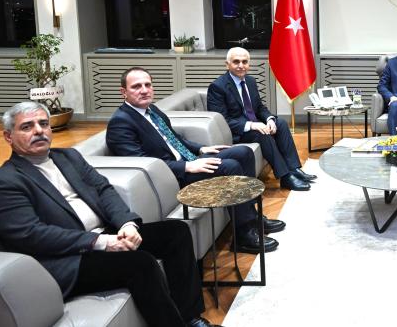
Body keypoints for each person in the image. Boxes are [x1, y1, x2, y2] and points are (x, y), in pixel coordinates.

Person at [0, 101, 218, 327]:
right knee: (140, 263)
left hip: (105, 234)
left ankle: (190, 318)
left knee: (176, 231)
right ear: (8, 136)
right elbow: (30, 235)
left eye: (43, 124)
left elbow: (103, 189)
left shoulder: (68, 157)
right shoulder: (7, 180)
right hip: (70, 257)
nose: (38, 131)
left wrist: (126, 224)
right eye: (27, 127)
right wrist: (100, 242)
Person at [106, 67, 283, 254]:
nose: (144, 90)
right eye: (136, 86)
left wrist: (200, 148)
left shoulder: (151, 110)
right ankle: (244, 235)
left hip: (188, 160)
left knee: (243, 152)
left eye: (147, 85)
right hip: (171, 176)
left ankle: (253, 218)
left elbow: (173, 138)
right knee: (230, 166)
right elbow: (142, 163)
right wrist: (187, 166)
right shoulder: (121, 122)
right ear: (123, 92)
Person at [207, 47, 315, 191]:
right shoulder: (217, 87)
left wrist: (269, 119)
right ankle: (285, 177)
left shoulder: (250, 81)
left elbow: (259, 108)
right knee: (261, 133)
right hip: (236, 132)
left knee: (280, 123)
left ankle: (294, 169)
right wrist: (252, 125)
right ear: (227, 64)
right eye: (236, 62)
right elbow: (222, 121)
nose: (241, 65)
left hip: (254, 125)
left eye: (245, 62)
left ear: (249, 64)